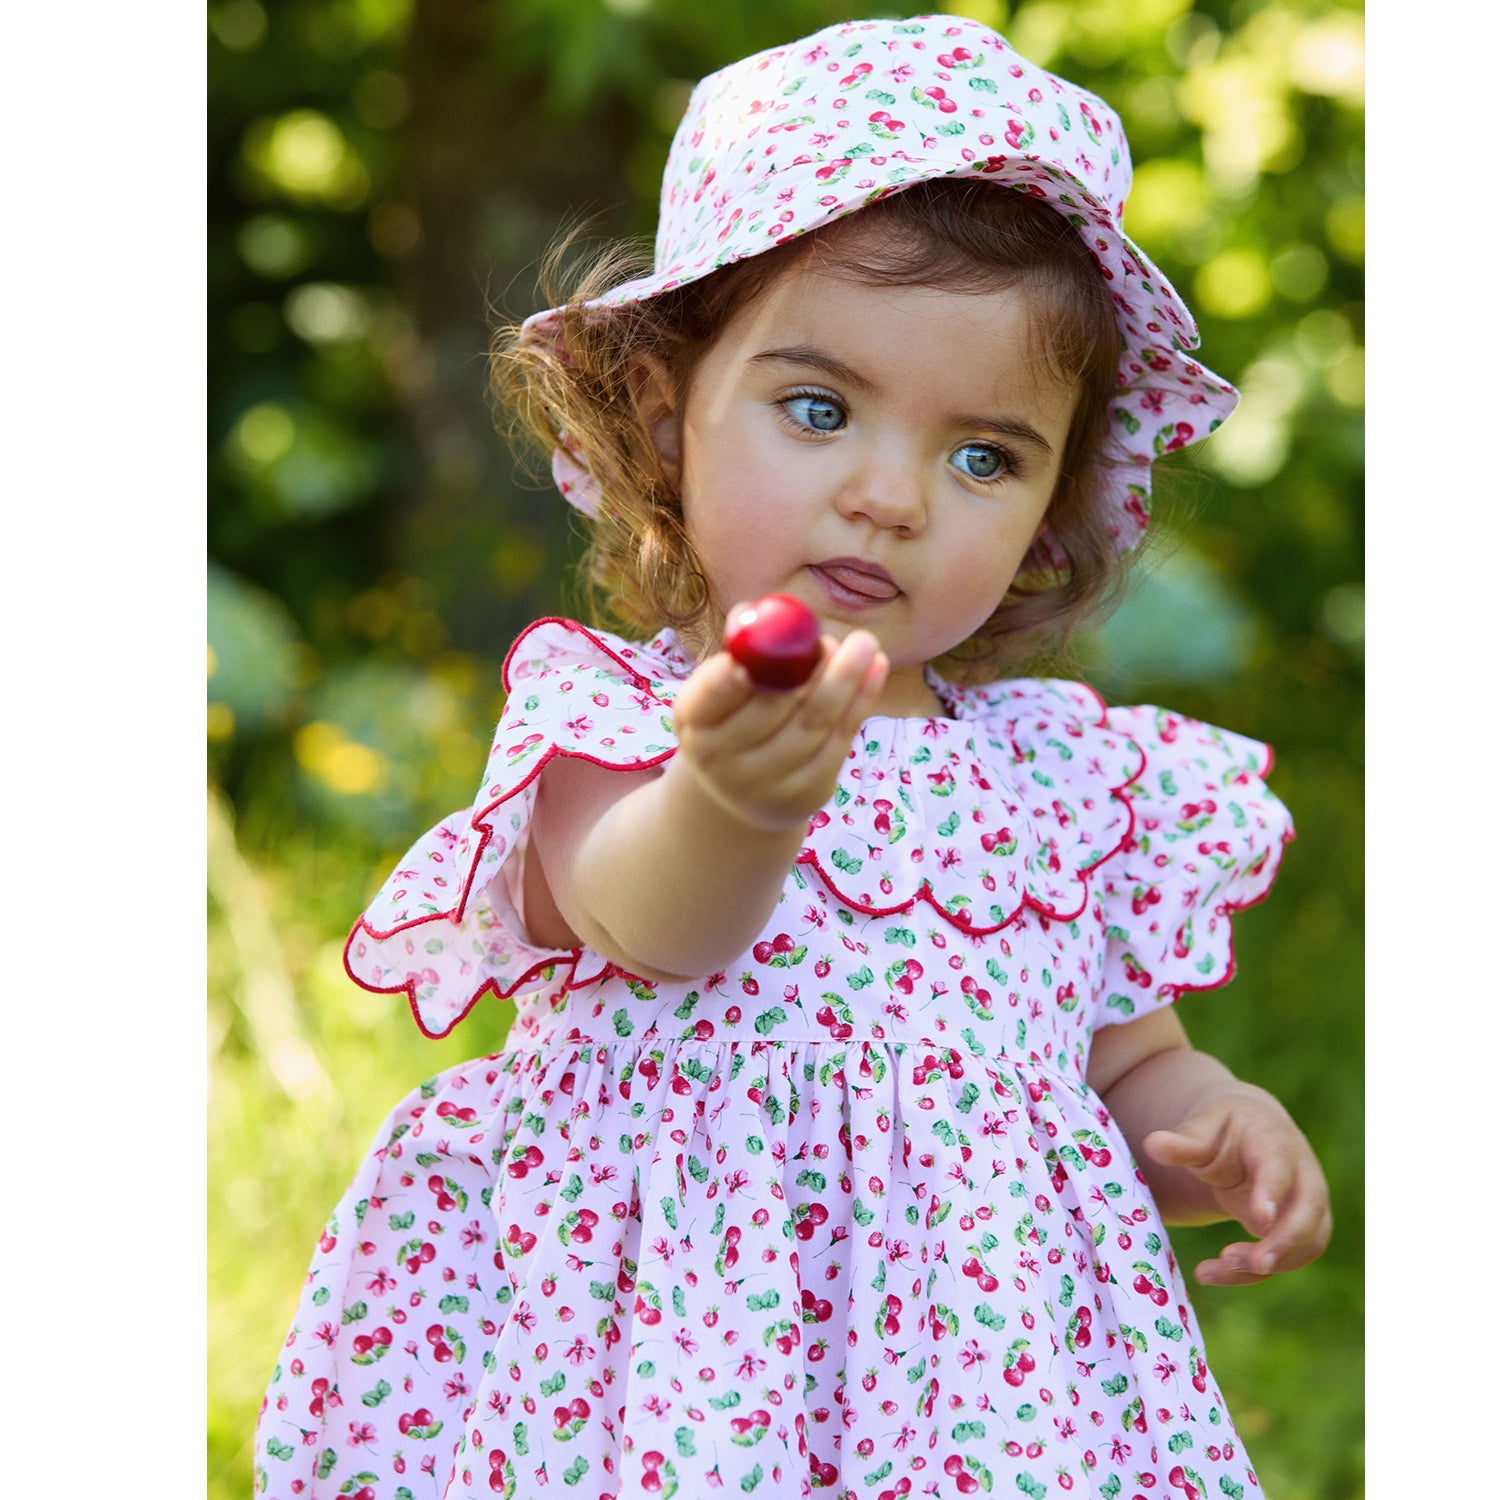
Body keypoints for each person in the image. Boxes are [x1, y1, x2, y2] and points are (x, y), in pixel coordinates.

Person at [254, 15, 1330, 1499]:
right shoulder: (627, 718)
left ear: (1055, 501)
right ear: (665, 413)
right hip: (688, 1361)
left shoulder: (1066, 779)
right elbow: (650, 915)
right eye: (817, 410)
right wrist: (733, 799)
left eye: (984, 456)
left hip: (986, 1397)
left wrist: (1205, 1125)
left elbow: (1115, 1062)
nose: (892, 496)